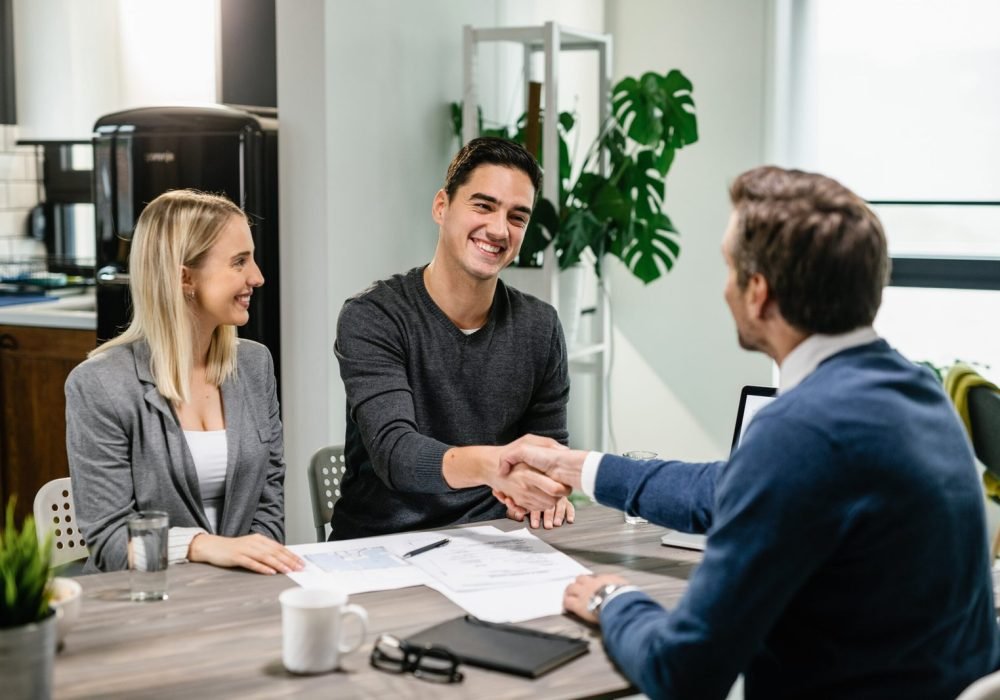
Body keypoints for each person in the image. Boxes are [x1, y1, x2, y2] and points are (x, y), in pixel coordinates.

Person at [497, 166, 1000, 699]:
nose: (725, 288)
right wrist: (577, 466)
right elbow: (731, 488)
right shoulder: (919, 391)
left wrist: (614, 599)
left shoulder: (801, 431)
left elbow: (682, 673)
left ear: (758, 292)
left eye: (729, 269)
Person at [332, 137, 572, 540]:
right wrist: (498, 466)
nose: (498, 229)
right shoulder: (374, 317)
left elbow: (547, 453)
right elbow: (398, 455)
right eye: (483, 205)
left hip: (498, 540)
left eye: (518, 217)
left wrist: (550, 488)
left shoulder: (540, 326)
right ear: (441, 206)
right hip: (384, 546)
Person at [66, 189, 304, 576]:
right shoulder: (100, 384)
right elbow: (110, 544)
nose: (257, 277)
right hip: (145, 600)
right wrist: (203, 546)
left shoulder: (254, 365)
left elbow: (269, 500)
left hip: (242, 594)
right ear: (184, 276)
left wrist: (243, 576)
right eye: (239, 262)